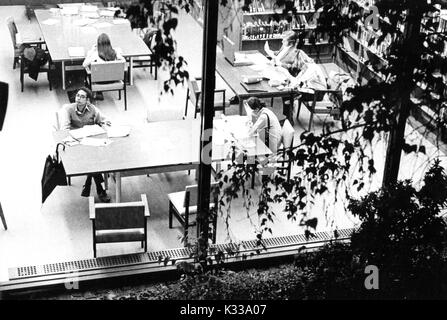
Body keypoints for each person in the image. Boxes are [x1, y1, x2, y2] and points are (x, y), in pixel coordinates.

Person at [61, 87, 111, 203]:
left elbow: (103, 120)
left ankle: (88, 184)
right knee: (93, 162)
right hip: (76, 144)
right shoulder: (69, 109)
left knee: (92, 160)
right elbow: (64, 130)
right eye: (78, 95)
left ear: (87, 100)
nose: (78, 98)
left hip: (91, 143)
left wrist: (104, 124)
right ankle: (100, 190)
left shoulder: (93, 109)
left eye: (82, 97)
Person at [82, 33, 126, 100]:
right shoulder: (115, 53)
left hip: (99, 81)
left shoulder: (95, 55)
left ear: (98, 44)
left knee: (87, 73)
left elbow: (84, 64)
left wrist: (91, 51)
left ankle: (94, 94)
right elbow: (123, 60)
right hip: (113, 80)